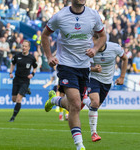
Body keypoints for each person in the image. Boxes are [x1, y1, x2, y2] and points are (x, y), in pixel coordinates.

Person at [41, 0, 107, 150]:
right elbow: (45, 36)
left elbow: (103, 36)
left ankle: (55, 100)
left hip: (84, 67)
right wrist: (50, 56)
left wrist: (95, 49)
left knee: (74, 105)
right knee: (76, 104)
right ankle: (79, 145)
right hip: (66, 65)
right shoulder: (60, 16)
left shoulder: (93, 15)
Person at [82, 33, 128, 142]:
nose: (93, 44)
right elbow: (81, 65)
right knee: (95, 102)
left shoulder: (114, 47)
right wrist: (93, 69)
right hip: (93, 78)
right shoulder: (88, 50)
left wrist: (122, 77)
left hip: (107, 82)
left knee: (95, 106)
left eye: (95, 42)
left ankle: (84, 100)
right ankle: (94, 133)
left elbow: (125, 59)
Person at [9, 40, 37, 122]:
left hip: (25, 80)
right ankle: (26, 91)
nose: (24, 48)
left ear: (29, 48)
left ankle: (13, 117)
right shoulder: (17, 56)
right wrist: (10, 72)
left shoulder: (31, 58)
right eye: (23, 46)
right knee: (13, 99)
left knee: (18, 99)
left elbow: (35, 67)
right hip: (17, 79)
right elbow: (13, 64)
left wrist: (32, 74)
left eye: (25, 46)